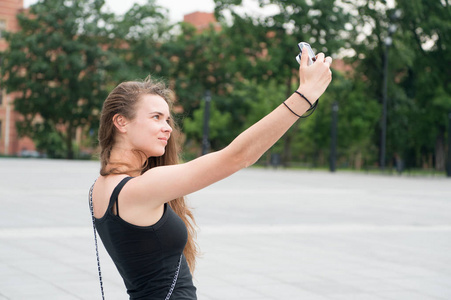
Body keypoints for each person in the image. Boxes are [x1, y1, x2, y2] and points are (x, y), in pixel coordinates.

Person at [89, 48, 332, 299]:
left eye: (168, 120)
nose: (167, 128)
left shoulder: (101, 186)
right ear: (121, 122)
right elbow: (238, 156)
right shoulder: (139, 189)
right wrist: (305, 95)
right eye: (156, 117)